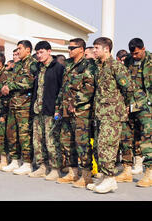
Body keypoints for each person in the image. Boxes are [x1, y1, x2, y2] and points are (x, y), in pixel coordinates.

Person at [87, 37, 134, 193]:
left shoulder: (116, 67)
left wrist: (124, 106)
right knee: (100, 146)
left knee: (108, 147)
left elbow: (128, 88)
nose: (94, 50)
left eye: (97, 48)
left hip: (112, 114)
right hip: (100, 113)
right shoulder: (98, 67)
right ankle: (104, 178)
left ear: (106, 49)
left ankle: (110, 179)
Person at [54, 38, 96, 188]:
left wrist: (75, 103)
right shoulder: (69, 64)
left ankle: (86, 176)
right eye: (69, 47)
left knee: (82, 143)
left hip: (81, 111)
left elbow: (89, 88)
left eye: (72, 48)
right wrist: (59, 106)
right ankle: (73, 172)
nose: (69, 50)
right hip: (66, 110)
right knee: (67, 141)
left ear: (81, 49)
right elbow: (64, 87)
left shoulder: (88, 65)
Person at [28, 41, 64, 178]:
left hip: (51, 110)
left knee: (51, 141)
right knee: (37, 141)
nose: (39, 55)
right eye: (37, 53)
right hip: (38, 109)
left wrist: (58, 108)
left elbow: (61, 89)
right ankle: (42, 166)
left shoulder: (58, 68)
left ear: (49, 52)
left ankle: (55, 169)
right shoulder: (38, 68)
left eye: (41, 52)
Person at [1, 40, 37, 173]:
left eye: (20, 48)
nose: (18, 51)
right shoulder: (18, 65)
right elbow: (11, 80)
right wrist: (6, 86)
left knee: (24, 135)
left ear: (28, 50)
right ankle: (15, 161)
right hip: (13, 104)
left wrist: (10, 86)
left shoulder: (32, 64)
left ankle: (27, 163)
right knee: (12, 134)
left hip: (24, 106)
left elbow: (29, 82)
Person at [119, 38, 151, 188]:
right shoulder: (129, 61)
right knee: (125, 136)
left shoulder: (150, 61)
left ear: (143, 49)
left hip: (146, 106)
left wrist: (138, 104)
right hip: (130, 104)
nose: (135, 56)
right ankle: (126, 171)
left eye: (137, 53)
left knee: (147, 139)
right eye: (133, 53)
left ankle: (149, 173)